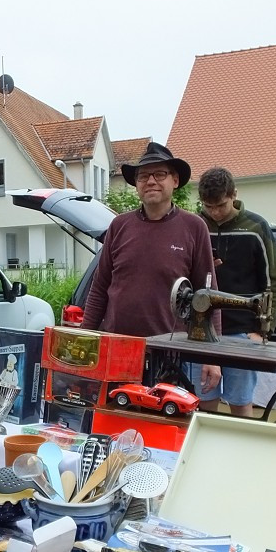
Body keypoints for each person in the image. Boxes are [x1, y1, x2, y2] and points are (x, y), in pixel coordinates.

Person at [81, 142, 221, 392]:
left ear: (175, 181)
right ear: (136, 184)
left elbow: (208, 295)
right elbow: (99, 288)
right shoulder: (119, 226)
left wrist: (212, 357)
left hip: (169, 354)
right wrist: (85, 340)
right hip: (117, 348)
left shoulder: (194, 227)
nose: (151, 181)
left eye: (160, 174)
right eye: (143, 176)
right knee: (114, 421)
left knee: (163, 423)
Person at [190, 167, 276, 417]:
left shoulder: (256, 227)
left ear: (234, 195)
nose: (214, 212)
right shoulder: (195, 225)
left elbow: (272, 281)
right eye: (208, 206)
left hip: (243, 331)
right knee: (203, 400)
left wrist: (263, 330)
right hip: (202, 331)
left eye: (220, 205)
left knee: (241, 402)